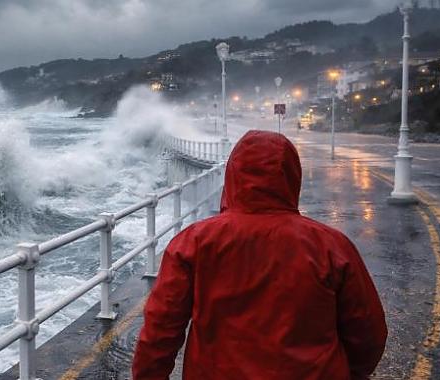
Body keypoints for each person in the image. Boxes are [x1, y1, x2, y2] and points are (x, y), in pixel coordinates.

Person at [132, 131, 387, 379]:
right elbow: (368, 333)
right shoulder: (331, 246)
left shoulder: (193, 243)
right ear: (292, 177)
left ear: (232, 174)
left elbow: (160, 332)